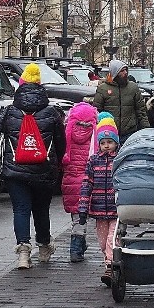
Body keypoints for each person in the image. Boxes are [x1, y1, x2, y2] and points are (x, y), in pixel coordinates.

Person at [0, 62, 66, 270]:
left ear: (20, 86)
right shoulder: (52, 112)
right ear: (41, 86)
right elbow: (61, 143)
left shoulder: (8, 111)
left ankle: (23, 252)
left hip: (15, 170)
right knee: (41, 209)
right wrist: (56, 164)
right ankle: (43, 247)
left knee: (21, 210)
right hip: (43, 168)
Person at [78, 113, 119, 286]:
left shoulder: (119, 160)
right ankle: (112, 262)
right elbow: (86, 184)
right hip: (99, 208)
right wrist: (82, 207)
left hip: (117, 208)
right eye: (102, 143)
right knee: (103, 242)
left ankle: (110, 267)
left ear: (116, 142)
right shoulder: (93, 161)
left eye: (109, 142)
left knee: (112, 238)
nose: (106, 146)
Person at [60, 102, 98, 263]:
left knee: (77, 215)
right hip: (87, 182)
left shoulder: (67, 134)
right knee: (82, 216)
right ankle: (76, 248)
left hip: (70, 179)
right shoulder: (95, 135)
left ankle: (80, 245)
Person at [92, 59, 148, 143]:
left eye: (126, 70)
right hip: (109, 133)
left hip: (130, 132)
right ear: (115, 73)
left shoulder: (133, 88)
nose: (125, 72)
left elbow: (141, 110)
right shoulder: (103, 88)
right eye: (122, 71)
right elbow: (96, 111)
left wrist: (146, 129)